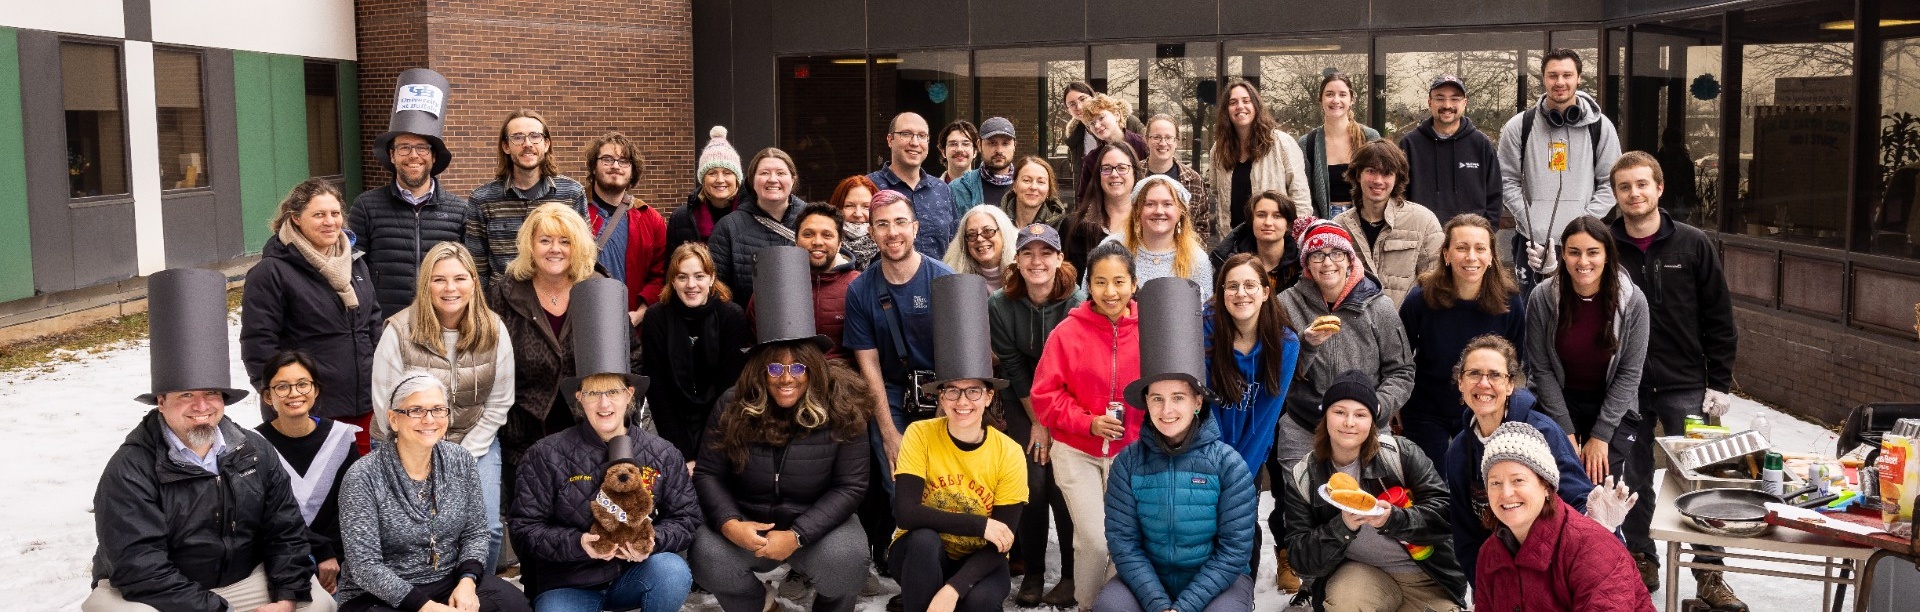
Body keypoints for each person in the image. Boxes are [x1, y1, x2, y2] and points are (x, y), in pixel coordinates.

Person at [87, 267, 334, 612]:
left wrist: (287, 597)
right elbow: (139, 566)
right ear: (161, 402)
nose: (201, 407)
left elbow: (285, 529)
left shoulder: (254, 451)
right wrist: (218, 610)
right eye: (186, 395)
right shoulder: (131, 468)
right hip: (158, 593)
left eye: (211, 394)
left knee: (320, 606)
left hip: (246, 579)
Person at [690, 263, 873, 612]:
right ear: (761, 370)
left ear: (813, 368)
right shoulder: (731, 404)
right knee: (708, 555)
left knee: (847, 561)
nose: (785, 378)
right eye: (775, 367)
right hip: (748, 520)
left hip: (816, 526)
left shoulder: (843, 408)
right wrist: (730, 524)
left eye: (797, 367)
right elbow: (709, 474)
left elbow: (851, 486)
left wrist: (798, 535)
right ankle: (760, 606)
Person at [511, 276, 698, 610]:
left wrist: (651, 542)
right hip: (569, 582)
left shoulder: (661, 453)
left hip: (633, 574)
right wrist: (579, 543)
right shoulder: (546, 454)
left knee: (672, 571)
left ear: (629, 396)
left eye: (612, 391)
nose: (604, 404)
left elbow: (686, 518)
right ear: (579, 399)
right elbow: (525, 529)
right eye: (594, 393)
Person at [1608, 150, 1741, 604]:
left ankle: (1709, 572)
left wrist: (1719, 383)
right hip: (1627, 387)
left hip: (1686, 385)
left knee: (1700, 479)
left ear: (1659, 188)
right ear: (1615, 194)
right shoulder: (1606, 247)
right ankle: (1642, 556)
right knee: (1633, 477)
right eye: (1625, 187)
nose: (1634, 193)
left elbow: (1719, 317)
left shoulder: (1693, 243)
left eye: (1642, 184)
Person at [1097, 277, 1258, 612]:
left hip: (1216, 581)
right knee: (1110, 607)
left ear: (1198, 400)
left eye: (1178, 398)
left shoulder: (1228, 465)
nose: (1166, 410)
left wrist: (1183, 608)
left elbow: (1233, 552)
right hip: (1148, 578)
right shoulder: (1128, 463)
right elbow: (1124, 544)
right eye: (1157, 398)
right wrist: (1158, 604)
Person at [369, 241, 515, 572]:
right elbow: (384, 404)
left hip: (473, 440)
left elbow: (499, 402)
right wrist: (422, 454)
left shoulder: (494, 329)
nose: (450, 288)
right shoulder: (399, 331)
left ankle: (476, 594)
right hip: (403, 443)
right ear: (426, 285)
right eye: (439, 279)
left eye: (460, 278)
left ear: (473, 283)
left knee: (488, 531)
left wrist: (462, 455)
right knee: (413, 534)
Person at [889, 274, 1029, 612]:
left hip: (982, 560)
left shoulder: (1008, 452)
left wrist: (953, 589)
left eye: (973, 391)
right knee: (923, 541)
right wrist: (979, 524)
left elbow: (1002, 539)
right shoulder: (921, 434)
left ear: (988, 396)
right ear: (940, 395)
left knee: (978, 602)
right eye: (951, 389)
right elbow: (907, 513)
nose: (961, 401)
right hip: (919, 553)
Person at [1525, 215, 1651, 588]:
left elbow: (1630, 373)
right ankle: (1554, 577)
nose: (1584, 262)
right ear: (1562, 255)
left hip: (1611, 409)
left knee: (1601, 491)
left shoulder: (1633, 302)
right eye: (1575, 252)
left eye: (1593, 252)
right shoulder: (1543, 297)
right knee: (1554, 487)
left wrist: (1599, 435)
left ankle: (1607, 579)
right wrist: (1564, 430)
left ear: (1608, 255)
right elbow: (1542, 369)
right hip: (1557, 405)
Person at [335, 375, 529, 612]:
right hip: (377, 595)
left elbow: (476, 532)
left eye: (438, 410)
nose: (429, 419)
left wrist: (467, 581)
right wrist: (428, 607)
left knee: (512, 604)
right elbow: (364, 566)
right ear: (393, 419)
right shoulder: (362, 476)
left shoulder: (461, 460)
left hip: (448, 580)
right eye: (416, 410)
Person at [1283, 371, 1466, 612]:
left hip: (1425, 575)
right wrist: (1342, 527)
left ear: (1372, 422)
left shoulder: (1401, 455)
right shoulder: (1304, 476)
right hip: (1360, 574)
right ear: (1324, 416)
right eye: (1339, 412)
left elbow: (1445, 515)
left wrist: (1394, 519)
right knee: (1345, 604)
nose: (1349, 422)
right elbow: (1300, 559)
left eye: (1360, 414)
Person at [1031, 241, 1144, 611]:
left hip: (1132, 453)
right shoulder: (1068, 332)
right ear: (1088, 285)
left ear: (1133, 283)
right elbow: (1045, 395)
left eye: (1119, 281)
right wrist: (1088, 423)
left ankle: (1109, 606)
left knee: (1124, 541)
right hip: (1077, 450)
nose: (1110, 292)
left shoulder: (1150, 330)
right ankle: (1086, 605)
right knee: (1095, 540)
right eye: (1100, 282)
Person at [1438, 335, 1601, 584]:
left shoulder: (1543, 432)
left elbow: (1578, 500)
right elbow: (1467, 538)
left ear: (1510, 384)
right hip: (1504, 577)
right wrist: (1485, 593)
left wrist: (1600, 528)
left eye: (1495, 375)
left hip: (1558, 568)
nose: (1484, 384)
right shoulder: (1459, 451)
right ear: (1460, 382)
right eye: (1474, 374)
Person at [242, 177, 382, 453]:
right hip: (309, 409)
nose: (330, 221)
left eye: (335, 213)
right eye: (318, 214)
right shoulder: (272, 272)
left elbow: (373, 322)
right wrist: (279, 399)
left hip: (364, 405)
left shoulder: (355, 262)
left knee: (361, 489)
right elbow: (259, 344)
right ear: (295, 219)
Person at [987, 223, 1082, 608]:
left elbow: (1076, 368)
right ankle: (1035, 569)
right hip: (1023, 394)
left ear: (1060, 259)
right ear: (1017, 260)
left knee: (1061, 479)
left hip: (1069, 394)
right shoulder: (1000, 303)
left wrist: (1056, 420)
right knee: (1032, 478)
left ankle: (1073, 573)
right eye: (1028, 253)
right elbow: (1012, 366)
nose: (1037, 261)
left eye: (1046, 253)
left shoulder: (1077, 302)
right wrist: (1040, 422)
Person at [1274, 220, 1416, 468]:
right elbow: (1276, 375)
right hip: (1305, 426)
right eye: (1317, 255)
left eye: (1337, 254)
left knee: (1367, 501)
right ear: (1306, 263)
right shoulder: (1285, 305)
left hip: (1366, 426)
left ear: (1350, 260)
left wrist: (1378, 406)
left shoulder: (1378, 306)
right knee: (1304, 502)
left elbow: (1401, 371)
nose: (1328, 263)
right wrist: (1306, 345)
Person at [1472, 423, 1654, 612]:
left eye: (1518, 480)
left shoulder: (1591, 546)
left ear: (1545, 485)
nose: (1506, 493)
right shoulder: (1489, 553)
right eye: (1495, 483)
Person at [489, 203, 601, 501]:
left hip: (586, 433)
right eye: (545, 240)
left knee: (583, 522)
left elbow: (630, 354)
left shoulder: (596, 289)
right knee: (531, 526)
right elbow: (487, 360)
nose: (555, 249)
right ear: (530, 245)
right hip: (523, 434)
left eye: (565, 241)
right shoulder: (505, 293)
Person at [1398, 214, 1524, 466]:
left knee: (1480, 485)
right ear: (1446, 254)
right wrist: (1397, 405)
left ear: (1491, 256)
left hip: (1485, 407)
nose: (1471, 257)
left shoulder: (1509, 301)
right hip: (1427, 408)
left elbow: (1515, 361)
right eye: (1461, 248)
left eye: (1480, 248)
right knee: (1431, 488)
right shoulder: (1420, 299)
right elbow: (1399, 357)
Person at [845, 190, 956, 473]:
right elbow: (868, 364)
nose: (892, 232)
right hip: (892, 392)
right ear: (871, 232)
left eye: (900, 222)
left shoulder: (944, 280)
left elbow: (957, 358)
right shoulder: (859, 289)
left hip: (945, 387)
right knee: (900, 484)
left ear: (915, 227)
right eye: (882, 224)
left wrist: (944, 418)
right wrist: (888, 432)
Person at [1205, 252, 1300, 578]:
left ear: (1265, 291)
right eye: (1232, 286)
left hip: (1250, 447)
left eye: (1249, 285)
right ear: (1221, 293)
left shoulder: (1285, 343)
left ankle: (1241, 593)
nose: (1240, 293)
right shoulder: (1205, 332)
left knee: (1241, 522)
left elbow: (1267, 414)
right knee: (1204, 527)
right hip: (1206, 446)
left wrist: (1239, 472)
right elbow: (1204, 404)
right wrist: (1215, 460)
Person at [1499, 49, 1622, 296]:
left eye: (1567, 75)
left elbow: (1611, 182)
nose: (1560, 82)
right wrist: (1529, 219)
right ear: (1543, 79)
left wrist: (1585, 223)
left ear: (1578, 78)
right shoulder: (1519, 126)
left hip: (1585, 245)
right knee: (1533, 315)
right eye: (1552, 75)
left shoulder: (1600, 126)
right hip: (1532, 243)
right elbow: (1506, 181)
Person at [350, 68, 469, 317]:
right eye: (404, 147)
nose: (413, 155)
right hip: (385, 323)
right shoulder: (366, 206)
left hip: (442, 321)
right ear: (391, 155)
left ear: (433, 156)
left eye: (421, 148)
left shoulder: (460, 211)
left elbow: (469, 272)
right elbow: (354, 271)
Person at [256, 350, 363, 598]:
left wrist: (335, 555)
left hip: (342, 556)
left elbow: (353, 505)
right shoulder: (254, 446)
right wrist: (320, 551)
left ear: (315, 390)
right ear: (268, 397)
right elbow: (265, 514)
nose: (294, 394)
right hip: (281, 557)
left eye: (303, 384)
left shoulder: (341, 438)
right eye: (282, 387)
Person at [640, 243, 753, 461]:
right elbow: (658, 389)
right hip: (671, 426)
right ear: (672, 281)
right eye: (682, 277)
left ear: (711, 279)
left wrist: (705, 453)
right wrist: (683, 453)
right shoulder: (656, 318)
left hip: (721, 426)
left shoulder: (731, 316)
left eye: (699, 276)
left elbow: (729, 389)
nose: (691, 285)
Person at [466, 109, 588, 289]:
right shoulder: (482, 199)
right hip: (503, 306)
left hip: (558, 302)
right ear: (506, 146)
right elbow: (477, 268)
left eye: (535, 136)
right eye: (517, 137)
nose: (527, 144)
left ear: (546, 144)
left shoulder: (572, 193)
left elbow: (583, 256)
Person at [1332, 141, 1443, 306]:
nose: (1378, 180)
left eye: (1387, 173)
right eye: (1371, 171)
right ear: (1357, 175)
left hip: (1406, 326)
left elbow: (1436, 280)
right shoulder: (1339, 226)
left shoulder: (1423, 221)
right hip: (1355, 326)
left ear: (1397, 178)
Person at [581, 132, 668, 325]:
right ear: (593, 167)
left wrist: (639, 314)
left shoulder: (650, 219)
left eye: (624, 161)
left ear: (632, 170)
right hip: (580, 322)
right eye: (607, 159)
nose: (615, 166)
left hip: (631, 326)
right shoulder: (573, 212)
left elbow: (660, 275)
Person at [1397, 75, 1501, 225]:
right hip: (1421, 237)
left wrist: (1486, 232)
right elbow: (1399, 194)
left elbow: (1495, 196)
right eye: (1440, 98)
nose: (1447, 105)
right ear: (1429, 102)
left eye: (1455, 99)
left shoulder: (1481, 144)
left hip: (1469, 239)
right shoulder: (1409, 144)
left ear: (1464, 103)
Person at [710, 147, 807, 305]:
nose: (772, 179)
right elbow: (717, 289)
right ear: (752, 180)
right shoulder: (728, 227)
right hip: (746, 325)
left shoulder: (813, 220)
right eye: (764, 173)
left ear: (793, 179)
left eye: (780, 173)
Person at [1211, 79, 1311, 231]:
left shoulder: (1282, 143)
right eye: (1233, 102)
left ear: (1256, 106)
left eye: (1246, 101)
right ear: (1226, 110)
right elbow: (1216, 194)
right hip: (1235, 244)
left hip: (1275, 241)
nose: (1240, 106)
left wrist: (1296, 238)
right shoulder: (1218, 150)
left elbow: (1300, 196)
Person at [867, 112, 957, 260]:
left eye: (922, 136)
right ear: (890, 140)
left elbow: (954, 245)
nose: (915, 142)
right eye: (906, 134)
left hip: (939, 281)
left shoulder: (942, 190)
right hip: (886, 282)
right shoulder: (870, 187)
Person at [1112, 174, 1214, 301]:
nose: (1159, 211)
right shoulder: (1113, 249)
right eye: (1150, 204)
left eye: (1167, 204)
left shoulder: (1197, 260)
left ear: (1180, 212)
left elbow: (1204, 314)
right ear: (1137, 210)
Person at [1300, 73, 1383, 219]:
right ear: (1320, 99)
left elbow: (1380, 184)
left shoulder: (1369, 138)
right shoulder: (1307, 143)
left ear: (1352, 100)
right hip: (1322, 224)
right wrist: (1319, 226)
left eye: (1342, 94)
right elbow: (1303, 194)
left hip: (1364, 221)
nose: (1336, 100)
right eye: (1329, 94)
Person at [1061, 142, 1142, 277]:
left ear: (1135, 172)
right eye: (1106, 168)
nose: (1114, 174)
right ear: (1098, 176)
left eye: (1122, 168)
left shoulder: (1149, 225)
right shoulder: (1073, 227)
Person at [793, 203, 861, 358]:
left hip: (843, 378)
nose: (817, 241)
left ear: (839, 244)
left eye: (827, 235)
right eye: (808, 234)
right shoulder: (775, 284)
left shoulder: (858, 285)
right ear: (796, 240)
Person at [666, 126, 743, 258]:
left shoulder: (751, 214)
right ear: (703, 179)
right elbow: (672, 268)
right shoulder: (681, 218)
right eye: (712, 173)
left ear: (737, 178)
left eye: (727, 173)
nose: (720, 180)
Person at [1143, 113, 1219, 245]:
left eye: (1168, 138)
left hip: (1181, 259)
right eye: (1156, 137)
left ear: (1177, 141)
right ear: (1147, 140)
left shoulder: (1193, 180)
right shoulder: (1132, 175)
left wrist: (1189, 257)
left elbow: (1201, 227)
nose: (1163, 143)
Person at [1063, 82, 1146, 198]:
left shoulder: (1136, 133)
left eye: (1083, 99)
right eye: (1072, 104)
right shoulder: (1075, 139)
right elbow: (1082, 187)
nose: (1079, 106)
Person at [1209, 189, 1303, 291]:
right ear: (1251, 221)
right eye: (1261, 215)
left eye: (1277, 216)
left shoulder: (1302, 265)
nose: (1268, 222)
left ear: (1288, 225)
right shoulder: (1229, 261)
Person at [943, 204, 1018, 291]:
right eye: (972, 234)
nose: (979, 239)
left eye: (987, 231)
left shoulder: (1024, 273)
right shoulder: (953, 276)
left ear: (1004, 233)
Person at [951, 117, 1019, 212]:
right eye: (992, 143)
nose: (999, 150)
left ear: (1014, 146)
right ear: (979, 145)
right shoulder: (960, 188)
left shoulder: (1027, 187)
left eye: (1005, 143)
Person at [995, 155, 1071, 232]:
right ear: (1015, 186)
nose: (1033, 187)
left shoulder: (1063, 228)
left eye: (1041, 182)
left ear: (1049, 190)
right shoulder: (995, 221)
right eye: (1027, 180)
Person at [829, 175, 881, 270]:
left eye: (866, 207)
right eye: (849, 206)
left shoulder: (888, 248)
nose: (858, 214)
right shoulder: (825, 249)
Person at [937, 119, 978, 186]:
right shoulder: (930, 193)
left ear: (975, 152)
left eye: (965, 144)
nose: (959, 149)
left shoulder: (987, 190)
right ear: (943, 152)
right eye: (953, 144)